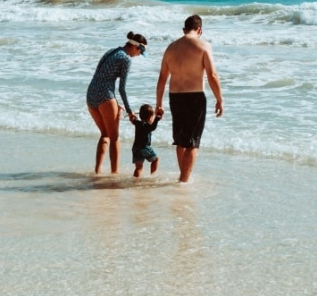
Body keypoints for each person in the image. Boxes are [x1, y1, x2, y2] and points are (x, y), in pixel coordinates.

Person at [155, 14, 222, 183]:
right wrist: (219, 99)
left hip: (175, 97)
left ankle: (183, 176)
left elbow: (162, 78)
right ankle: (184, 180)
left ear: (184, 30)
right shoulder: (204, 46)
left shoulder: (171, 48)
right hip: (195, 97)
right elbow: (212, 75)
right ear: (200, 30)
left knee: (180, 140)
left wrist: (159, 104)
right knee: (193, 142)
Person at [86, 31, 149, 174]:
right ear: (135, 47)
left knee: (104, 134)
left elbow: (101, 76)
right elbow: (122, 88)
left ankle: (97, 170)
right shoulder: (126, 59)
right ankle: (114, 174)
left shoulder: (112, 51)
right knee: (114, 137)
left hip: (91, 94)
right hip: (105, 96)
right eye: (141, 51)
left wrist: (113, 102)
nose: (139, 55)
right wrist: (129, 111)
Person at [127, 103, 161, 177]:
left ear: (140, 116)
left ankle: (136, 180)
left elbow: (132, 120)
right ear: (150, 118)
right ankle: (153, 176)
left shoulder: (137, 123)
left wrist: (132, 116)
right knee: (155, 160)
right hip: (144, 147)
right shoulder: (147, 125)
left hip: (136, 148)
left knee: (138, 168)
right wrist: (157, 118)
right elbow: (153, 127)